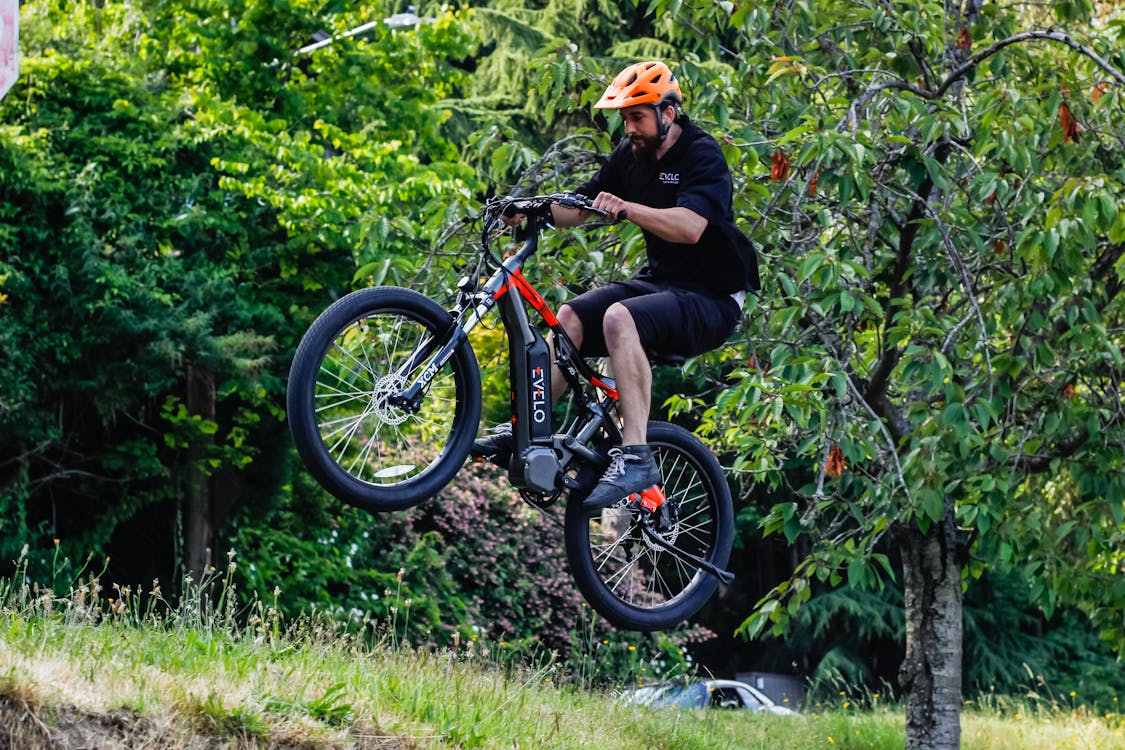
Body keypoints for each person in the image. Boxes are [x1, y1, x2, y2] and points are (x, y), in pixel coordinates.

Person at [472, 60, 760, 509]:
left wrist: (627, 208)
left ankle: (637, 455)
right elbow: (582, 206)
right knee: (568, 319)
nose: (629, 128)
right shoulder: (631, 156)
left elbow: (691, 227)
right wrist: (531, 212)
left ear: (668, 113)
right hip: (661, 283)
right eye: (625, 118)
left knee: (619, 318)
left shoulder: (701, 154)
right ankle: (531, 426)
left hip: (713, 297)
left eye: (637, 117)